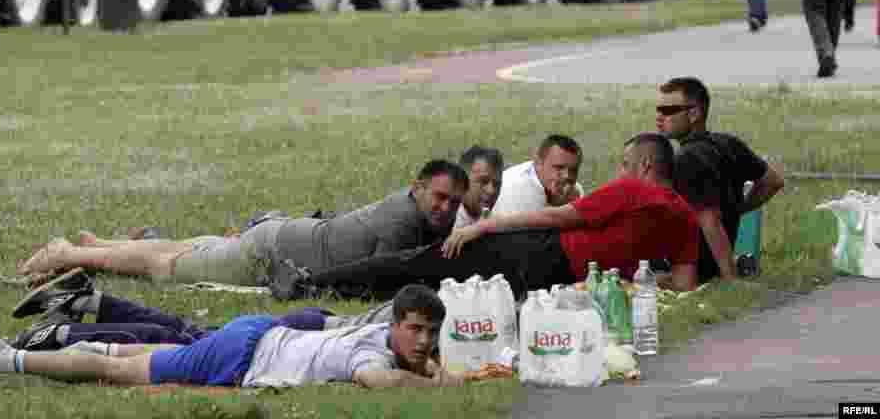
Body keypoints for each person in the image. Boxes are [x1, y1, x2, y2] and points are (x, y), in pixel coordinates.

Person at [294, 134, 699, 301]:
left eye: (626, 164)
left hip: (539, 252)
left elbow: (556, 219)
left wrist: (484, 226)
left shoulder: (634, 190)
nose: (620, 172)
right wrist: (628, 276)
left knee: (424, 264)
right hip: (562, 282)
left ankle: (312, 283)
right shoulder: (685, 218)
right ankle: (332, 286)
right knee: (440, 284)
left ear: (646, 167)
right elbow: (683, 282)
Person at [16, 160, 468, 289]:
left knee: (195, 246)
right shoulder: (403, 220)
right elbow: (379, 278)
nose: (446, 208)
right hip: (272, 250)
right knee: (166, 265)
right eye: (441, 197)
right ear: (418, 188)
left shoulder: (414, 209)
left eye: (454, 203)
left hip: (281, 235)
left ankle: (103, 244)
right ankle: (70, 254)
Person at [0, 284, 469, 389]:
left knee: (173, 346)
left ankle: (92, 341)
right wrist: (439, 384)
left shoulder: (383, 332)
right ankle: (4, 360)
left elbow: (409, 362)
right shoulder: (369, 350)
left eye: (430, 333)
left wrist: (427, 365)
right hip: (244, 356)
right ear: (395, 324)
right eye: (416, 330)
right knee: (121, 375)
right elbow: (374, 380)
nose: (423, 341)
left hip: (258, 334)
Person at [6, 268, 338, 352]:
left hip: (316, 327)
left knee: (192, 334)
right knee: (182, 343)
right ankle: (59, 334)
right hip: (320, 334)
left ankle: (81, 302)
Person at [655, 77, 785, 283]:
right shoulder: (728, 144)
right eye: (658, 110)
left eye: (668, 111)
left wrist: (730, 278)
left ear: (694, 113)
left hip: (692, 268)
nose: (659, 117)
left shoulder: (685, 159)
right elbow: (773, 181)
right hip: (710, 262)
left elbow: (710, 220)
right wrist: (737, 210)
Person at [490, 134, 584, 216]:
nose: (567, 176)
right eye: (559, 168)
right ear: (538, 163)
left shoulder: (574, 190)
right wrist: (564, 208)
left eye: (573, 170)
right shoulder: (518, 191)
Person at [453, 146, 504, 228]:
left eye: (497, 184)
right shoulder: (444, 225)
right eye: (483, 181)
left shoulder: (499, 223)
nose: (491, 191)